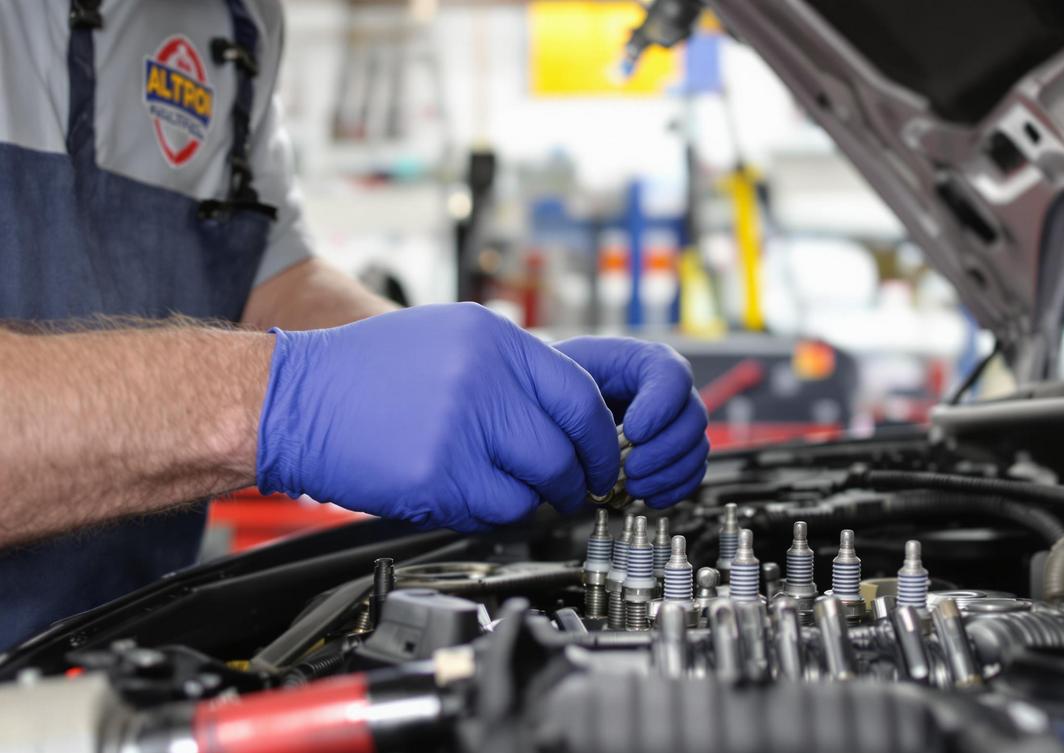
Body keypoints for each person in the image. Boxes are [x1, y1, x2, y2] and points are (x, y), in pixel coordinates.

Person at [0, 0, 709, 649]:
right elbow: (288, 388)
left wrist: (505, 385)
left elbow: (269, 281)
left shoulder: (235, 22)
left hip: (111, 667)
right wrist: (275, 403)